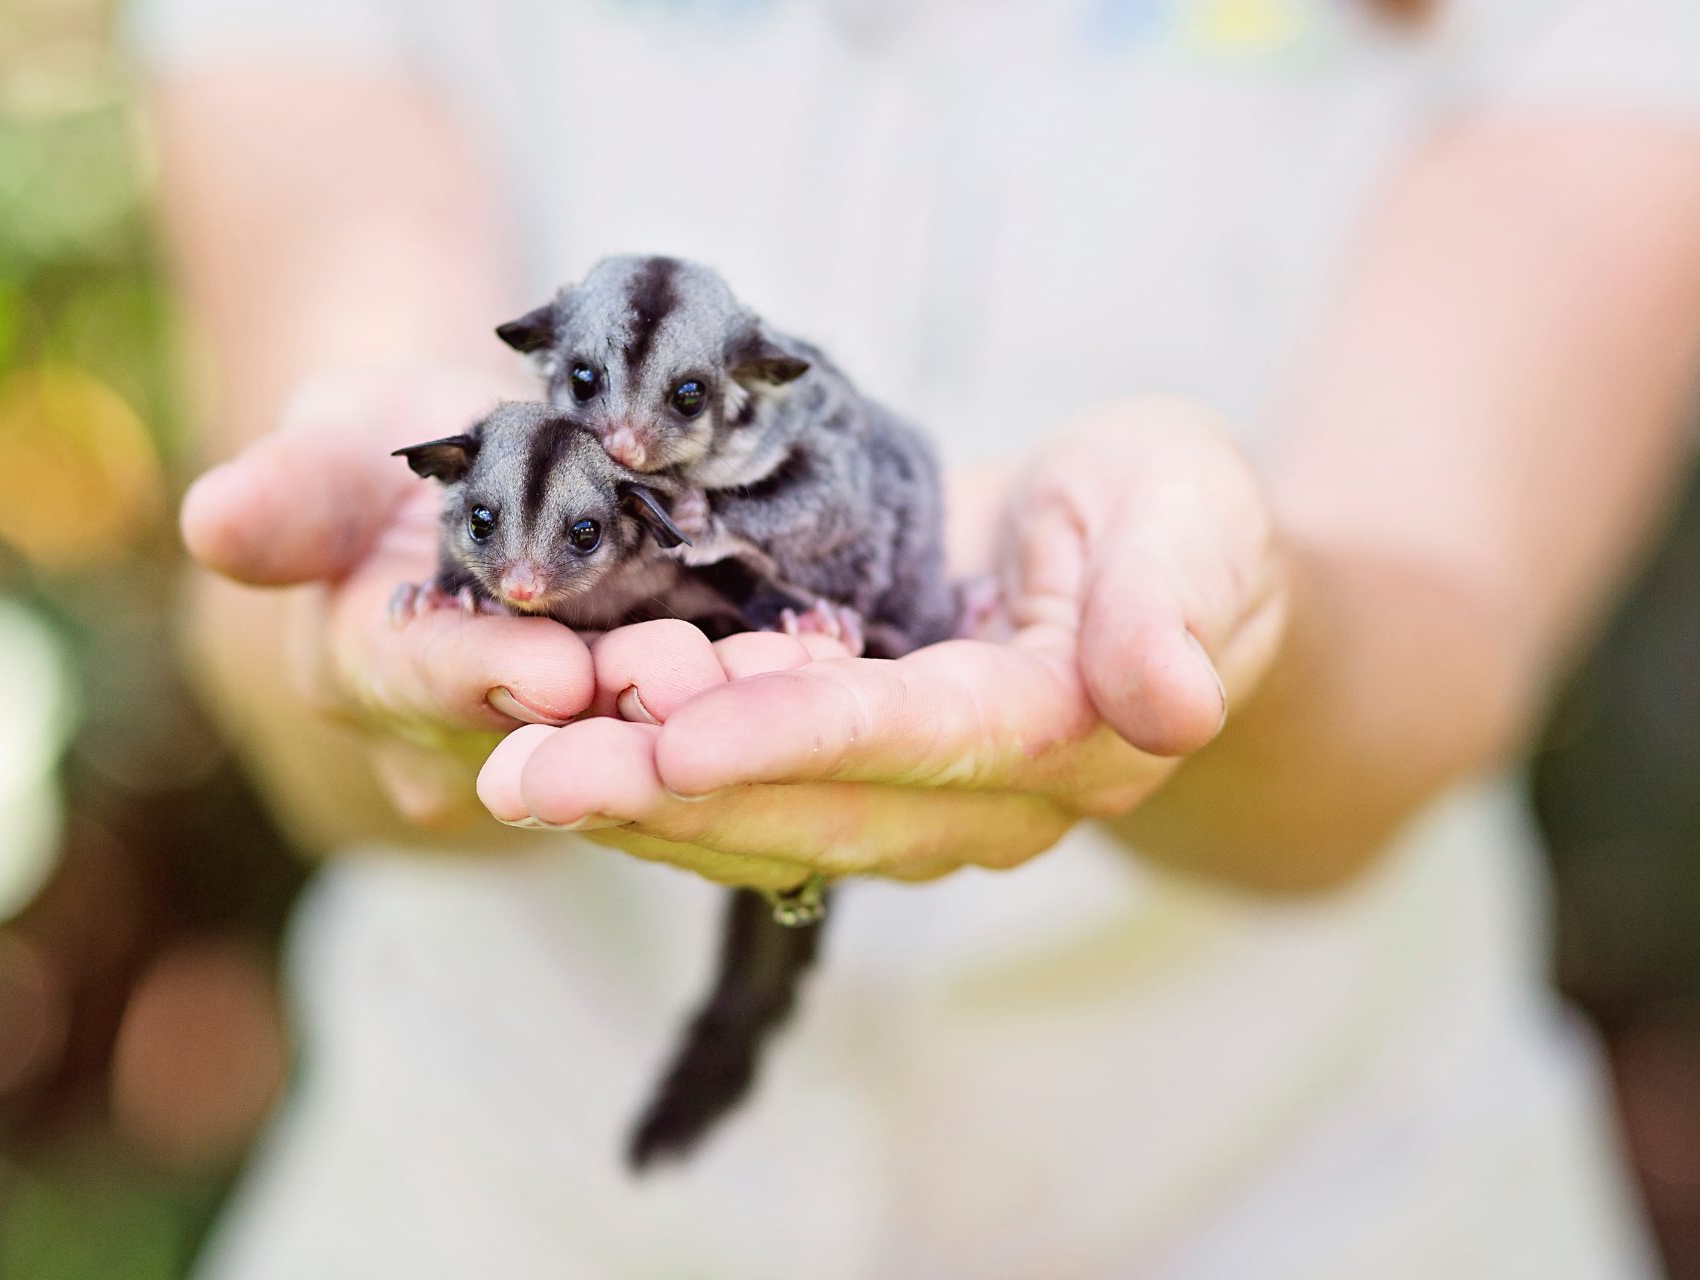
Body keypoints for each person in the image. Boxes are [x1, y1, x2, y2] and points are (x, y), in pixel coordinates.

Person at [133, 0, 1700, 1274]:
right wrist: (381, 621)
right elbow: (296, 618)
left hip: (1312, 1191)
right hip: (497, 1187)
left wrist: (1227, 627)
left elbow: (1441, 618)